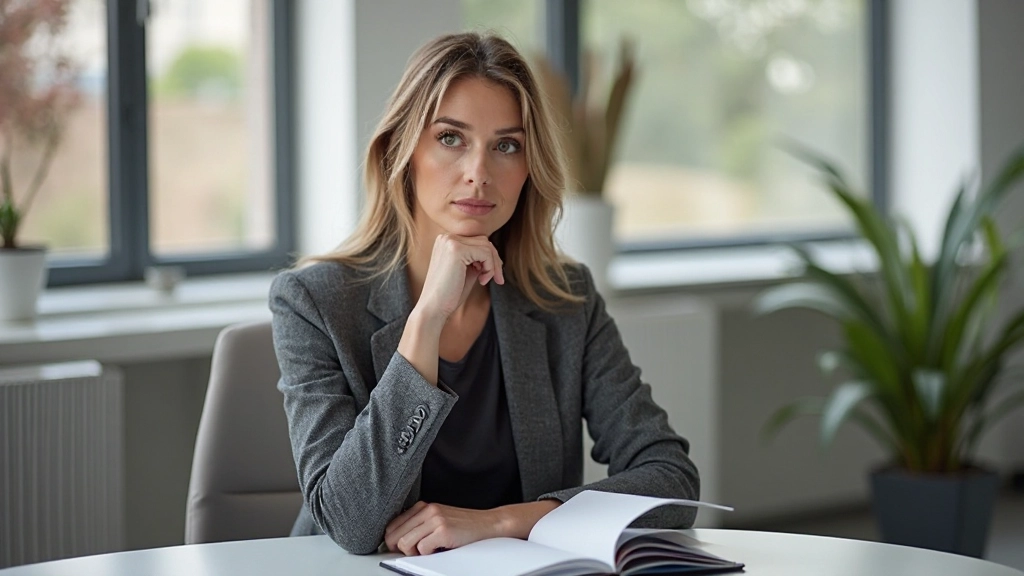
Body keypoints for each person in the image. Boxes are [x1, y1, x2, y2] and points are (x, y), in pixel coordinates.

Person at [268, 32, 699, 557]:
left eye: (507, 146)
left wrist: (502, 522)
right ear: (403, 153)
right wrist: (427, 319)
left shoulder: (566, 300)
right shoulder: (313, 304)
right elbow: (352, 522)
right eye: (451, 138)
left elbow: (672, 480)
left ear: (528, 170)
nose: (479, 173)